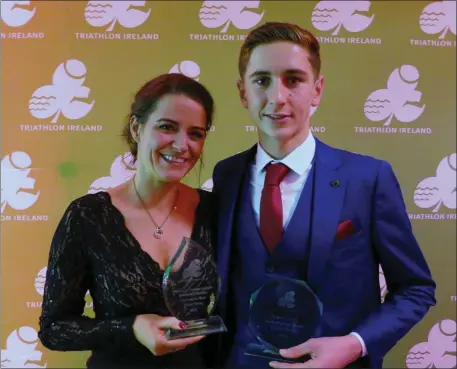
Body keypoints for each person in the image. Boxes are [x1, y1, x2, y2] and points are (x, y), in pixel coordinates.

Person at [210, 22, 436, 369]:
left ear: (317, 90)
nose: (277, 97)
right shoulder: (226, 175)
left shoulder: (368, 178)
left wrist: (355, 344)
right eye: (261, 81)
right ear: (243, 92)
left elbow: (415, 289)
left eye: (293, 80)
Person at [38, 73, 217, 369]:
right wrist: (131, 328)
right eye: (167, 127)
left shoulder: (215, 209)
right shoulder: (87, 216)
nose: (182, 144)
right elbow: (54, 328)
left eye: (195, 133)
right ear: (137, 128)